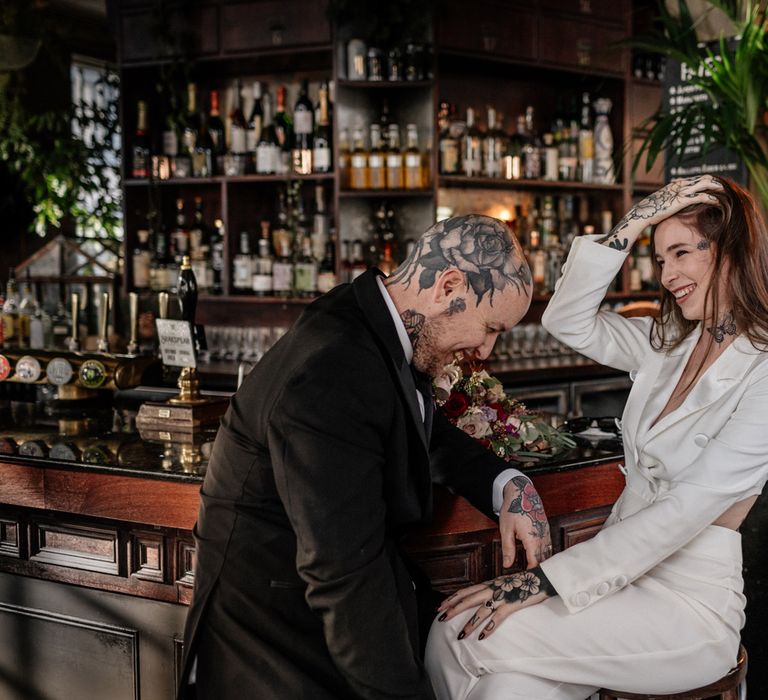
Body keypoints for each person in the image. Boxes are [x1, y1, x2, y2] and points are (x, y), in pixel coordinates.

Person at [178, 215, 553, 700]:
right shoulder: (333, 369)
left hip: (316, 624)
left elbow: (423, 429)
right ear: (449, 285)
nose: (486, 348)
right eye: (489, 327)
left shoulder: (371, 319)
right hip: (275, 647)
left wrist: (507, 485)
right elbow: (344, 574)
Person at [426, 175, 768, 699]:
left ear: (730, 251)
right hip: (619, 580)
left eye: (680, 253)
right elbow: (566, 318)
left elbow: (684, 510)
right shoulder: (666, 345)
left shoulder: (763, 372)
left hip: (688, 610)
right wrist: (636, 219)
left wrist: (544, 580)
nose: (668, 274)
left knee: (456, 633)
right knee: (507, 689)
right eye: (659, 259)